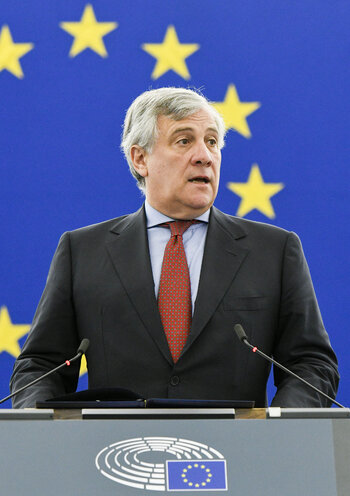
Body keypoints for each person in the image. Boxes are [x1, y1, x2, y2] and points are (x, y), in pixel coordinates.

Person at [10, 87, 339, 408]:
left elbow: (310, 364)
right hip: (112, 456)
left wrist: (282, 429)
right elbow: (41, 365)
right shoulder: (83, 252)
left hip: (240, 455)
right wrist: (38, 425)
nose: (204, 156)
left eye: (212, 142)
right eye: (184, 141)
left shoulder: (274, 251)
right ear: (140, 158)